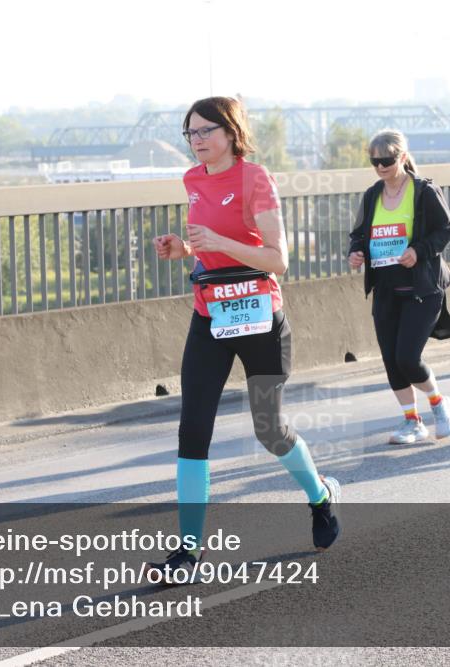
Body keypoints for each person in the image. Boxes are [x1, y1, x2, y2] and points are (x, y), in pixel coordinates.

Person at [150, 97, 340, 582]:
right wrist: (184, 249)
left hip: (259, 318)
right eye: (189, 133)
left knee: (269, 430)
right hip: (210, 317)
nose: (196, 141)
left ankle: (320, 496)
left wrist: (219, 243)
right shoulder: (192, 180)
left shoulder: (255, 178)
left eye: (205, 131)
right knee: (193, 431)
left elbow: (278, 260)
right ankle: (188, 553)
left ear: (231, 133)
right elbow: (208, 248)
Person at [347, 129, 450, 446]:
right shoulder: (372, 195)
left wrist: (418, 251)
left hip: (422, 288)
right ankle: (412, 422)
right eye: (374, 162)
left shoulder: (424, 191)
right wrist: (356, 253)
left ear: (402, 157)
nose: (380, 167)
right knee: (391, 361)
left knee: (407, 358)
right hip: (386, 289)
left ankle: (439, 404)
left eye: (386, 160)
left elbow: (446, 229)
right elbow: (359, 235)